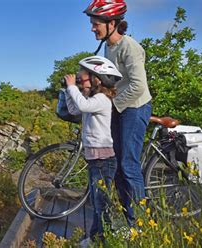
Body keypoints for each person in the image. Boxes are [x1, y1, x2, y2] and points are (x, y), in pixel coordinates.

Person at [84, 0, 152, 227]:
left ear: (111, 23)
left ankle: (140, 225)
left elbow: (138, 86)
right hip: (119, 106)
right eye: (93, 24)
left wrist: (111, 106)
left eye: (96, 24)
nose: (93, 28)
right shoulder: (108, 46)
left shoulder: (129, 47)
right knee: (117, 165)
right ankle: (127, 216)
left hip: (134, 107)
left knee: (128, 165)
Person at [63, 56, 122, 243]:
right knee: (97, 203)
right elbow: (74, 110)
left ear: (97, 78)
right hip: (94, 160)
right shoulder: (92, 98)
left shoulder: (102, 99)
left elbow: (82, 105)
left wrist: (73, 86)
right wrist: (67, 90)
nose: (79, 76)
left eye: (84, 74)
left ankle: (103, 240)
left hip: (103, 161)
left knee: (101, 204)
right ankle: (96, 237)